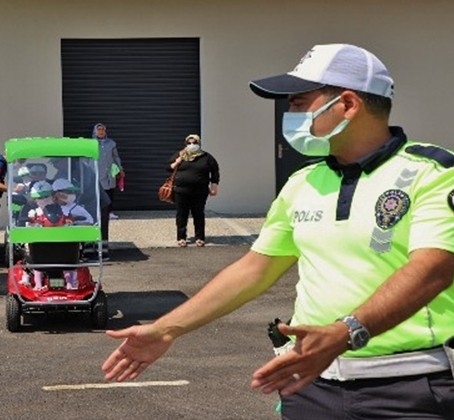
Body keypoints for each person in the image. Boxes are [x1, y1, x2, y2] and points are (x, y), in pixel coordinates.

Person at [101, 43, 454, 419]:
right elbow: (254, 269)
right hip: (311, 385)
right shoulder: (303, 182)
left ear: (348, 104)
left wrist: (343, 333)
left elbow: (432, 269)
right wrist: (167, 329)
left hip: (411, 387)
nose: (290, 114)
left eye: (299, 102)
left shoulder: (433, 172)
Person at [167, 134, 219, 247]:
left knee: (198, 214)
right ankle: (181, 238)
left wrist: (214, 185)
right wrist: (178, 160)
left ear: (199, 144)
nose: (192, 145)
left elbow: (215, 171)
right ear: (185, 144)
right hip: (181, 191)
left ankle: (199, 237)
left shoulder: (206, 157)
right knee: (182, 214)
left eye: (194, 143)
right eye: (189, 143)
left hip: (200, 191)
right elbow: (168, 168)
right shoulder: (180, 154)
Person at [92, 123, 123, 259]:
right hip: (95, 179)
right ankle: (92, 248)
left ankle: (109, 212)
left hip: (108, 177)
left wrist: (120, 168)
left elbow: (115, 157)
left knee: (108, 198)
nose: (101, 132)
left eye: (103, 130)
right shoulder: (90, 143)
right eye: (98, 130)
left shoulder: (111, 143)